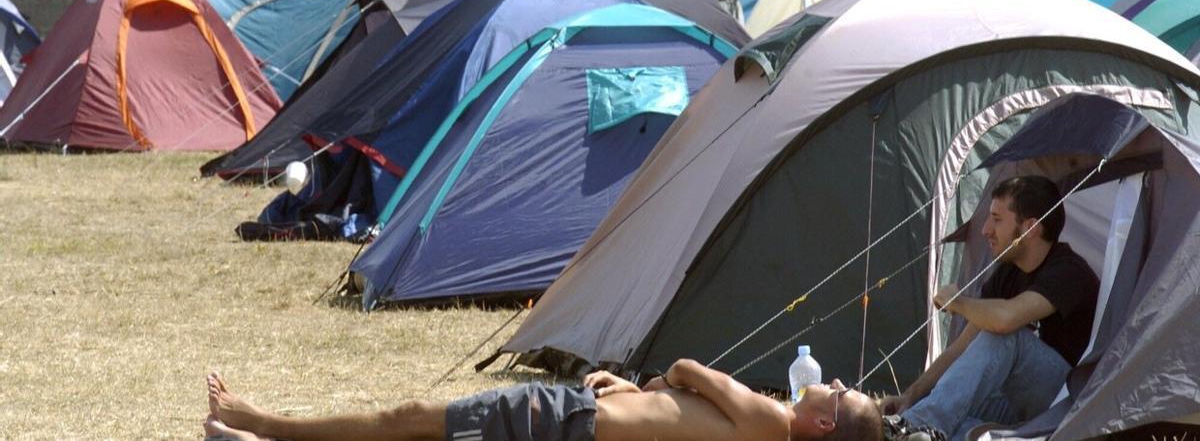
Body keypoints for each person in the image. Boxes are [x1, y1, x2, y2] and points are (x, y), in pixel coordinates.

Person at [881, 175, 1100, 441]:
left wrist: (958, 302)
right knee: (949, 401)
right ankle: (922, 428)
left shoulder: (1069, 272)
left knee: (1006, 337)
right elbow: (961, 349)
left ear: (1030, 228)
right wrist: (911, 395)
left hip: (1065, 400)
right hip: (1015, 404)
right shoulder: (1008, 273)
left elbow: (1005, 321)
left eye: (997, 219)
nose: (985, 230)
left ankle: (907, 429)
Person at [202, 360, 884, 441]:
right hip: (581, 429)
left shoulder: (772, 418)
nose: (833, 381)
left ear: (822, 421)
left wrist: (652, 384)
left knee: (408, 417)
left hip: (565, 420)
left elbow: (685, 367)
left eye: (840, 391)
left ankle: (259, 421)